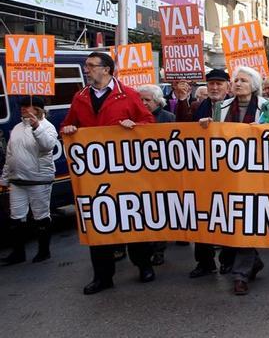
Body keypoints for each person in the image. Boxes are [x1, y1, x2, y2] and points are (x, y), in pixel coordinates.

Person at [60, 51, 156, 295]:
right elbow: (67, 125)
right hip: (94, 174)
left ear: (106, 69)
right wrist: (69, 129)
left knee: (132, 219)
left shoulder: (128, 95)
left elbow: (149, 124)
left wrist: (135, 126)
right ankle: (102, 276)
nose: (87, 69)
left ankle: (143, 265)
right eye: (86, 65)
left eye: (91, 65)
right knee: (98, 224)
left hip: (126, 172)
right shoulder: (80, 97)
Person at [198, 66, 269, 295]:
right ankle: (253, 262)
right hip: (228, 173)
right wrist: (206, 126)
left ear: (253, 85)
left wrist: (263, 131)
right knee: (232, 220)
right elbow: (214, 137)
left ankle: (240, 275)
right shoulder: (221, 107)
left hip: (255, 173)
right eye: (236, 80)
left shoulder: (266, 107)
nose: (238, 83)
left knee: (247, 221)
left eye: (243, 80)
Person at [188, 69, 236, 279]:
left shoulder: (235, 106)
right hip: (202, 170)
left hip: (229, 171)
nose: (215, 88)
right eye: (211, 84)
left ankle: (228, 260)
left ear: (228, 86)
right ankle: (205, 262)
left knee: (229, 217)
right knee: (202, 216)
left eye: (219, 84)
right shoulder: (198, 106)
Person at [0, 97, 57, 265]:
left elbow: (48, 146)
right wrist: (4, 179)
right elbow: (10, 155)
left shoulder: (47, 127)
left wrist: (36, 127)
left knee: (41, 216)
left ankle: (44, 251)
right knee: (16, 217)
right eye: (22, 106)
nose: (22, 109)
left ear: (37, 109)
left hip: (38, 180)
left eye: (27, 106)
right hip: (17, 181)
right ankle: (18, 254)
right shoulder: (17, 128)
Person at [138, 84, 177, 266]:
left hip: (162, 173)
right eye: (140, 99)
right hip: (139, 173)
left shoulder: (168, 118)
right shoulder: (132, 117)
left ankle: (158, 250)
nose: (143, 103)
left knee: (159, 211)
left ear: (157, 101)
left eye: (147, 100)